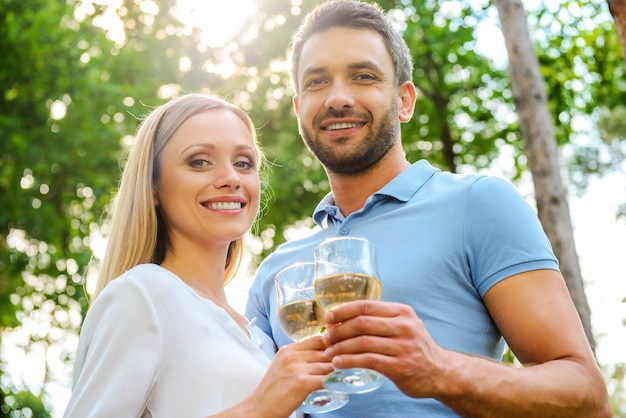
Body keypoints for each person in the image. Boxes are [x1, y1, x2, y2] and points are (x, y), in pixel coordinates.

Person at [245, 1, 612, 417]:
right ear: (299, 111)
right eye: (316, 82)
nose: (338, 98)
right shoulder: (275, 274)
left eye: (363, 76)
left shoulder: (479, 203)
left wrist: (439, 370)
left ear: (404, 100)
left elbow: (587, 397)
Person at [64, 93, 334, 418]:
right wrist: (258, 409)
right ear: (152, 188)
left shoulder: (260, 339)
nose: (231, 178)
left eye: (243, 163)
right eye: (199, 161)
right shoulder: (141, 295)